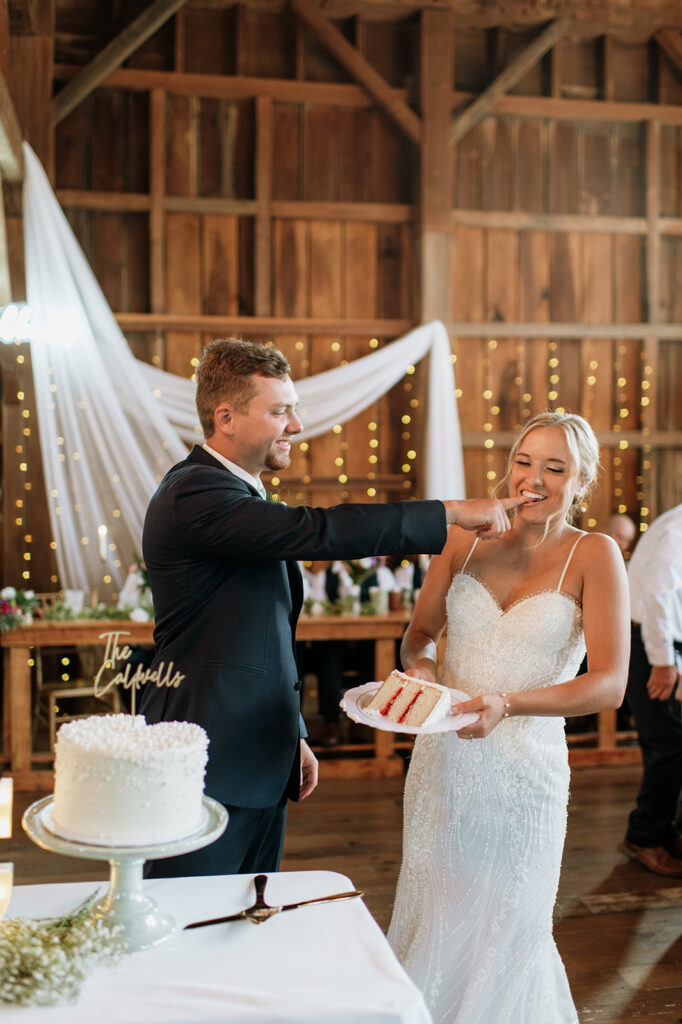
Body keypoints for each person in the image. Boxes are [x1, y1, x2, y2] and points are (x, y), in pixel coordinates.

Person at [140, 338, 523, 878]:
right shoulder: (195, 493)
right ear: (225, 417)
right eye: (280, 411)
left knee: (245, 917)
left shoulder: (238, 495)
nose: (296, 425)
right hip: (204, 758)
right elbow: (319, 531)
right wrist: (452, 511)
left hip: (256, 754)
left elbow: (260, 636)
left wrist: (290, 733)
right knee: (185, 918)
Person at [387, 411, 630, 1024]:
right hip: (443, 763)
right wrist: (419, 671)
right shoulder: (465, 539)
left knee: (511, 927)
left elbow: (609, 684)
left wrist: (510, 704)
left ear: (580, 483)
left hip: (526, 774)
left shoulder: (594, 553)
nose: (535, 478)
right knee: (437, 913)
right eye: (525, 461)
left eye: (556, 468)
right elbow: (418, 634)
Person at [620, 503, 682, 876]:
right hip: (650, 646)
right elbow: (657, 595)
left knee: (664, 744)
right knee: (670, 745)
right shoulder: (676, 528)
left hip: (659, 645)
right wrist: (662, 661)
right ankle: (644, 836)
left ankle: (659, 828)